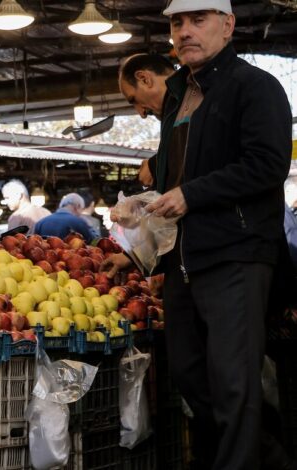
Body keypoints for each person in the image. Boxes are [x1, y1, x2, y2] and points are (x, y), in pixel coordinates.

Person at [103, 1, 294, 468]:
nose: (185, 31)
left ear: (227, 26)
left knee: (234, 381)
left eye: (198, 19)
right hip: (183, 260)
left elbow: (268, 165)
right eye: (176, 22)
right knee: (189, 374)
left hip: (237, 254)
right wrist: (143, 223)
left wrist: (191, 193)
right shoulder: (176, 98)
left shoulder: (256, 87)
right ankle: (272, 459)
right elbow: (178, 182)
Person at [118, 53, 176, 187]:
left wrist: (156, 165)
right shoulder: (172, 111)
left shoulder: (196, 99)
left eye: (134, 100)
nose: (142, 113)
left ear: (144, 79)